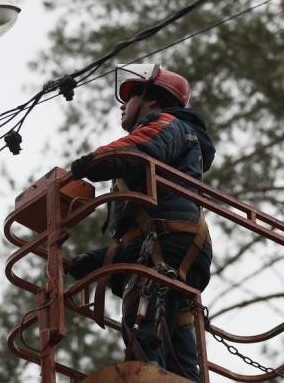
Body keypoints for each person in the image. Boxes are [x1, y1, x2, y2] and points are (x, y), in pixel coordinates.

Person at [67, 64, 215, 382]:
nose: (123, 104)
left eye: (131, 95)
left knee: (144, 324)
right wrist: (95, 260)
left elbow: (138, 149)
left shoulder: (165, 123)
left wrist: (94, 161)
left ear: (152, 100)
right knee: (177, 337)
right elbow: (140, 233)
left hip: (165, 242)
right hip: (178, 244)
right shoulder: (181, 135)